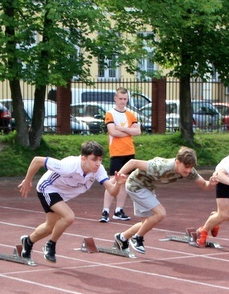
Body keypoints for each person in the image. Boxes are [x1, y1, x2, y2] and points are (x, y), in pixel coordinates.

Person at [18, 140, 125, 263]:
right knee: (69, 217)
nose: (98, 163)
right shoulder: (68, 166)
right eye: (94, 159)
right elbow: (37, 160)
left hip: (63, 195)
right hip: (48, 188)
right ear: (83, 159)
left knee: (50, 226)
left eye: (100, 159)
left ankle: (28, 241)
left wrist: (118, 184)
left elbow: (112, 191)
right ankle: (50, 244)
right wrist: (27, 181)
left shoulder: (98, 170)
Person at [113, 147, 217, 254]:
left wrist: (211, 183)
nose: (188, 170)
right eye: (186, 167)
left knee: (147, 224)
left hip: (148, 188)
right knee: (160, 213)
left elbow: (205, 185)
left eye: (191, 167)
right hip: (136, 186)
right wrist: (117, 177)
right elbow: (133, 162)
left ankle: (122, 237)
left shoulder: (189, 171)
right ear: (177, 162)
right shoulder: (161, 166)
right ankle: (137, 238)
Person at [101, 87, 140, 223]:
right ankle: (105, 211)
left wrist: (123, 129)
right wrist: (129, 131)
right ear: (115, 99)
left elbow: (138, 132)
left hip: (129, 152)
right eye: (120, 99)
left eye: (125, 99)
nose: (123, 101)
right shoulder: (110, 113)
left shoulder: (131, 114)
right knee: (113, 181)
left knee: (123, 182)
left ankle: (119, 210)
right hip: (117, 152)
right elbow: (113, 132)